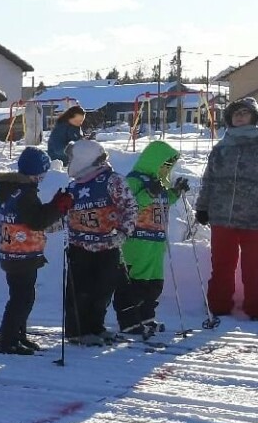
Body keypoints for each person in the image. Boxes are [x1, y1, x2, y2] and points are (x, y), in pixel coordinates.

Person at [0, 146, 72, 355]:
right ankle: (8, 341)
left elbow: (32, 216)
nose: (42, 179)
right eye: (41, 175)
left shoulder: (10, 189)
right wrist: (57, 206)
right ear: (34, 174)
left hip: (15, 252)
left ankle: (18, 335)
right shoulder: (24, 193)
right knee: (22, 298)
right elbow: (37, 220)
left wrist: (54, 205)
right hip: (22, 253)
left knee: (22, 296)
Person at [62, 139, 137, 345]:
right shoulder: (74, 186)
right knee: (79, 291)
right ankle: (77, 330)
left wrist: (123, 232)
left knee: (103, 290)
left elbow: (129, 207)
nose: (70, 161)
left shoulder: (112, 181)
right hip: (80, 247)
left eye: (72, 158)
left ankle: (96, 326)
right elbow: (64, 214)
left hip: (108, 245)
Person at [116, 141, 187, 336]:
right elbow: (128, 206)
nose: (165, 168)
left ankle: (146, 316)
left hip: (155, 242)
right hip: (137, 241)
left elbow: (162, 202)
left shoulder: (160, 184)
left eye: (169, 165)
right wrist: (149, 193)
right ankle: (129, 320)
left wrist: (175, 193)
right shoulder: (134, 181)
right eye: (164, 164)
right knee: (135, 281)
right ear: (154, 161)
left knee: (154, 282)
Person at [195, 97, 258, 317]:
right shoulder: (221, 148)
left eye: (245, 112)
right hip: (222, 217)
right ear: (230, 118)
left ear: (253, 116)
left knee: (254, 268)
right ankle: (219, 307)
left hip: (254, 219)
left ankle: (255, 308)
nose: (240, 115)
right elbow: (209, 180)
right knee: (221, 265)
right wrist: (202, 207)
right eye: (236, 112)